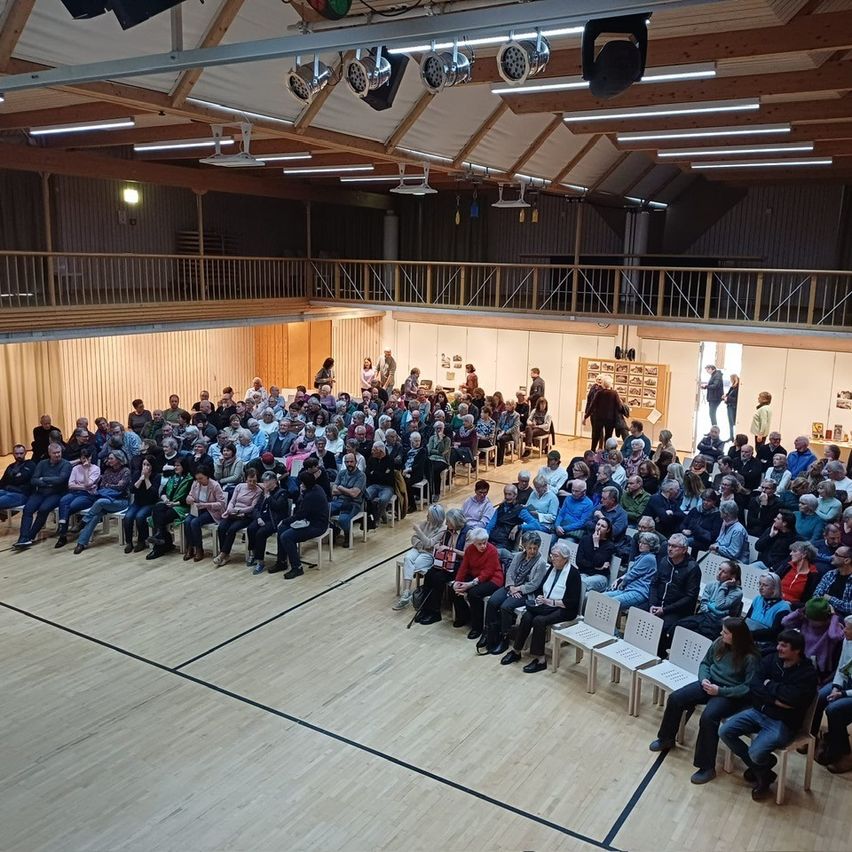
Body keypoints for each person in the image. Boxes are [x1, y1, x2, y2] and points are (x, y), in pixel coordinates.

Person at [651, 616, 759, 784]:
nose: (721, 633)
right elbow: (705, 663)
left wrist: (720, 691)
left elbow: (747, 688)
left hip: (727, 694)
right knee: (675, 698)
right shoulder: (719, 642)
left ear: (736, 636)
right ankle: (666, 738)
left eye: (726, 632)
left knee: (708, 717)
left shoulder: (750, 657)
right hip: (709, 684)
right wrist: (704, 679)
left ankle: (706, 767)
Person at [719, 629, 818, 800]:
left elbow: (793, 700)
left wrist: (768, 686)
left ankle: (761, 769)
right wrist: (776, 698)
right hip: (759, 711)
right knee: (725, 731)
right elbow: (754, 684)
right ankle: (763, 771)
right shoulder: (771, 659)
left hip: (783, 722)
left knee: (755, 753)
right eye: (779, 643)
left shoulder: (808, 674)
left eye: (784, 646)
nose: (778, 648)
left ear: (797, 650)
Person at [499, 541, 582, 672]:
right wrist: (539, 597)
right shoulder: (552, 568)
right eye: (552, 555)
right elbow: (541, 587)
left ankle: (540, 659)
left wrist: (551, 602)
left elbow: (572, 602)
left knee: (539, 621)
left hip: (564, 609)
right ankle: (516, 651)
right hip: (546, 605)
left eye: (556, 556)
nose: (552, 559)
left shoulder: (573, 574)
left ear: (565, 559)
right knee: (527, 616)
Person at [481, 531, 548, 653]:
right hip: (511, 587)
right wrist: (511, 586)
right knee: (492, 602)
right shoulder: (518, 556)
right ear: (524, 547)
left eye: (535, 548)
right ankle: (489, 632)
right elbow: (510, 572)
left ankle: (504, 638)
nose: (532, 551)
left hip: (526, 593)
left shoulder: (541, 563)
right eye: (529, 548)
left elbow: (534, 584)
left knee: (505, 607)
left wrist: (519, 589)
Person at [811, 614, 852, 774]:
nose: (844, 631)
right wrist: (836, 687)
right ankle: (811, 736)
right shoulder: (847, 640)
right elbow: (842, 668)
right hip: (845, 683)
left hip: (850, 691)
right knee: (820, 697)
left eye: (847, 629)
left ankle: (844, 753)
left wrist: (842, 694)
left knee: (834, 710)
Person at [273, 469, 330, 579]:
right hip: (308, 520)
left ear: (304, 484)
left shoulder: (311, 495)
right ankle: (282, 561)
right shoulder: (315, 488)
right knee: (282, 529)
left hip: (316, 526)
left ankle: (297, 567)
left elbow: (300, 514)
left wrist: (284, 520)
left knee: (287, 536)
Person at [415, 509, 469, 625]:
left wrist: (450, 549)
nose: (446, 525)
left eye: (449, 522)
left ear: (455, 522)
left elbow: (467, 555)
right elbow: (442, 545)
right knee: (429, 575)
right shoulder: (448, 531)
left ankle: (435, 613)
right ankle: (425, 609)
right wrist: (439, 546)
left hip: (460, 565)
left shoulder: (468, 532)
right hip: (446, 561)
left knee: (438, 578)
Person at [13, 443, 72, 549]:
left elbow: (61, 480)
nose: (57, 455)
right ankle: (23, 538)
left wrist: (44, 479)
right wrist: (49, 482)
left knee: (43, 510)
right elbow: (34, 480)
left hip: (56, 493)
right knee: (27, 510)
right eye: (55, 453)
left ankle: (29, 537)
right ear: (49, 453)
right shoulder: (42, 463)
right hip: (40, 492)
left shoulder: (66, 464)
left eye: (59, 452)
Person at [650, 533, 701, 653]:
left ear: (684, 550)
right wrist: (652, 604)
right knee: (637, 614)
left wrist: (665, 610)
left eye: (674, 546)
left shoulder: (692, 568)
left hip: (676, 610)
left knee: (662, 628)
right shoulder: (664, 561)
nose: (670, 549)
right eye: (669, 545)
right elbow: (654, 584)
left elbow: (690, 597)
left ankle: (659, 656)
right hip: (657, 604)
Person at [451, 527, 504, 639]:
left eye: (484, 543)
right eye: (479, 544)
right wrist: (458, 581)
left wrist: (470, 584)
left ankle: (477, 627)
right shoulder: (470, 550)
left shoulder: (492, 550)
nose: (483, 546)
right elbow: (464, 567)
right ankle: (463, 616)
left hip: (493, 579)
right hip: (476, 576)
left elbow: (488, 572)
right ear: (474, 543)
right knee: (456, 588)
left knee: (474, 594)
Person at [393, 504, 447, 610]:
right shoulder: (424, 524)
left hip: (429, 554)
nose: (427, 516)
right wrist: (421, 545)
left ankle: (407, 595)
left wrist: (419, 531)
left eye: (429, 515)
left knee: (414, 564)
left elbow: (429, 543)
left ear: (436, 517)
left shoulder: (442, 530)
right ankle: (406, 592)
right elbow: (414, 539)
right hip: (418, 549)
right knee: (408, 558)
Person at [782, 598, 844, 685]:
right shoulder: (805, 621)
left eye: (814, 619)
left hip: (819, 669)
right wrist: (801, 610)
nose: (810, 621)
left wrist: (834, 617)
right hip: (800, 660)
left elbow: (834, 636)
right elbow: (785, 622)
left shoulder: (833, 625)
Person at [678, 560, 744, 640]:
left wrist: (724, 586)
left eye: (724, 572)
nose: (719, 573)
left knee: (702, 636)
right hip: (704, 616)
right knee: (679, 626)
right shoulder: (710, 584)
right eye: (719, 569)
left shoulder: (737, 593)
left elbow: (719, 605)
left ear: (732, 577)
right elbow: (703, 605)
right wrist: (714, 611)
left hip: (719, 624)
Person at [213, 467, 262, 566]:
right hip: (233, 513)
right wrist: (229, 510)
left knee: (232, 529)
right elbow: (232, 500)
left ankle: (222, 554)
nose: (252, 483)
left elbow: (252, 507)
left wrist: (238, 510)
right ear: (245, 479)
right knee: (222, 527)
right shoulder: (239, 486)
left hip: (245, 515)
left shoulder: (258, 491)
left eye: (254, 481)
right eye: (250, 481)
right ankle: (226, 555)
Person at [146, 457, 193, 560]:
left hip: (182, 506)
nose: (175, 467)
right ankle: (161, 537)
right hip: (169, 503)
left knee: (163, 517)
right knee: (157, 508)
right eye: (175, 465)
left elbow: (190, 497)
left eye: (178, 465)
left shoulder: (190, 479)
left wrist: (175, 503)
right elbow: (162, 492)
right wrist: (165, 499)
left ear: (184, 466)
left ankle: (160, 545)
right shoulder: (172, 477)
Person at [606, 531, 659, 612]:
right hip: (630, 589)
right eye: (640, 542)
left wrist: (622, 583)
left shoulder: (649, 558)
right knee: (601, 597)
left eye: (644, 543)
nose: (640, 545)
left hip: (639, 592)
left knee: (610, 603)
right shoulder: (643, 556)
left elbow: (632, 575)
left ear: (651, 546)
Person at [182, 465, 226, 563]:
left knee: (194, 523)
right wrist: (189, 499)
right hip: (198, 509)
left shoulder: (215, 485)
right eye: (197, 479)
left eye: (201, 478)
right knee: (187, 521)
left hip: (212, 512)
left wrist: (206, 505)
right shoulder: (195, 484)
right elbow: (190, 495)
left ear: (207, 476)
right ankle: (190, 546)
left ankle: (199, 548)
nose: (199, 481)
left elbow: (221, 503)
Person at [122, 457, 161, 553]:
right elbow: (132, 490)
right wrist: (140, 479)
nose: (145, 467)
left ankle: (141, 541)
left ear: (152, 466)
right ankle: (129, 542)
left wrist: (147, 479)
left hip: (150, 503)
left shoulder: (157, 476)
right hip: (137, 502)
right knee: (128, 517)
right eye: (144, 464)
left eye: (148, 465)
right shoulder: (136, 474)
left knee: (140, 517)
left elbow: (153, 493)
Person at [328, 452, 366, 546]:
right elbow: (333, 491)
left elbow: (354, 494)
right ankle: (335, 529)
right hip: (338, 501)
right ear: (344, 462)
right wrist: (348, 490)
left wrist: (340, 488)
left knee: (343, 520)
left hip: (353, 503)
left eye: (351, 461)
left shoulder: (361, 476)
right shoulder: (341, 473)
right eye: (347, 462)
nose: (349, 464)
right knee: (322, 510)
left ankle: (347, 536)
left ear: (356, 462)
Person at [744, 572, 791, 644]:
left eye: (765, 585)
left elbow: (774, 632)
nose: (761, 588)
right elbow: (747, 619)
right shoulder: (757, 599)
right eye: (759, 584)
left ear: (774, 588)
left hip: (766, 644)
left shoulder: (783, 607)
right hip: (749, 638)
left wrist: (749, 634)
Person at [576, 517, 616, 600]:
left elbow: (598, 562)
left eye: (603, 526)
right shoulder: (585, 539)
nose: (599, 527)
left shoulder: (610, 546)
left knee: (581, 583)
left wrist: (596, 544)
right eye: (598, 524)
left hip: (601, 577)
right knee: (576, 584)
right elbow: (579, 561)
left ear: (608, 530)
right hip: (584, 573)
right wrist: (597, 567)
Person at [486, 484, 524, 569]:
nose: (507, 497)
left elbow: (535, 524)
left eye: (509, 494)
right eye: (505, 494)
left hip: (504, 544)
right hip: (491, 539)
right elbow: (490, 525)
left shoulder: (520, 510)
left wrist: (519, 527)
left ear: (515, 495)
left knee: (489, 556)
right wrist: (484, 537)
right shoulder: (500, 508)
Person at [812, 546, 852, 618]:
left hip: (844, 618)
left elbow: (850, 607)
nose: (832, 556)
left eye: (836, 555)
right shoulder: (830, 574)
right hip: (823, 610)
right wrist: (828, 607)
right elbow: (816, 595)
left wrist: (830, 598)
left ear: (847, 560)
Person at [777, 541, 819, 606]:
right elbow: (773, 581)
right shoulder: (787, 566)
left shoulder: (813, 575)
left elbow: (806, 601)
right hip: (775, 600)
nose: (791, 554)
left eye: (794, 551)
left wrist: (791, 604)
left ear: (804, 554)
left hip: (792, 607)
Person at [586, 375, 622, 452]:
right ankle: (606, 452)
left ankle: (592, 451)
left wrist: (586, 416)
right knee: (608, 437)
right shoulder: (614, 393)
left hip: (599, 418)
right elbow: (619, 406)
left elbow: (592, 405)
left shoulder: (599, 393)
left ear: (603, 384)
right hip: (610, 419)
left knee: (596, 436)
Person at [681, 489, 722, 554]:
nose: (705, 502)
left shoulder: (717, 515)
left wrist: (696, 529)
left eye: (708, 501)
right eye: (704, 500)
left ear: (714, 502)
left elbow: (712, 536)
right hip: (688, 536)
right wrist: (683, 530)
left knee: (683, 543)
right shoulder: (695, 510)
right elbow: (684, 523)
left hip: (703, 542)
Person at [0, 444, 36, 515]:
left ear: (25, 453)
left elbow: (21, 479)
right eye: (16, 454)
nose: (19, 456)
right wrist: (15, 477)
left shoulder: (30, 464)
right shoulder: (10, 466)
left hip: (20, 494)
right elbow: (2, 482)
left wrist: (11, 479)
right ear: (13, 454)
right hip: (6, 491)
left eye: (21, 453)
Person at [426, 421, 451, 503]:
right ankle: (427, 492)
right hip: (431, 458)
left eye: (440, 428)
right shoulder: (432, 438)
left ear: (443, 429)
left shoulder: (447, 439)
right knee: (427, 469)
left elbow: (443, 452)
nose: (439, 430)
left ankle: (436, 493)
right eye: (437, 428)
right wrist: (437, 452)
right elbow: (429, 451)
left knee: (436, 470)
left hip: (442, 460)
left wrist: (440, 440)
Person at [495, 401, 521, 466]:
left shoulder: (516, 415)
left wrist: (506, 432)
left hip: (511, 433)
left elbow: (515, 427)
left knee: (502, 439)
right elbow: (499, 423)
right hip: (502, 431)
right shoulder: (503, 413)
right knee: (495, 438)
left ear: (513, 406)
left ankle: (500, 459)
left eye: (508, 405)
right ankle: (497, 456)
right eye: (506, 404)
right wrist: (499, 430)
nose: (506, 406)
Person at [703, 364, 724, 428]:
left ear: (712, 369)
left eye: (707, 370)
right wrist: (706, 386)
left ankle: (714, 430)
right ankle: (713, 429)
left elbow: (716, 385)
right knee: (712, 414)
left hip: (715, 398)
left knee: (712, 414)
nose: (707, 372)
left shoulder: (717, 375)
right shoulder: (714, 375)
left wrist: (706, 386)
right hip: (713, 398)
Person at [723, 373, 739, 442]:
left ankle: (733, 437)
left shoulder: (737, 388)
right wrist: (725, 396)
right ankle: (731, 436)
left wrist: (727, 398)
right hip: (729, 406)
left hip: (733, 407)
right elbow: (729, 394)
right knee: (730, 423)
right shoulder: (733, 387)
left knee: (732, 422)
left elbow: (736, 399)